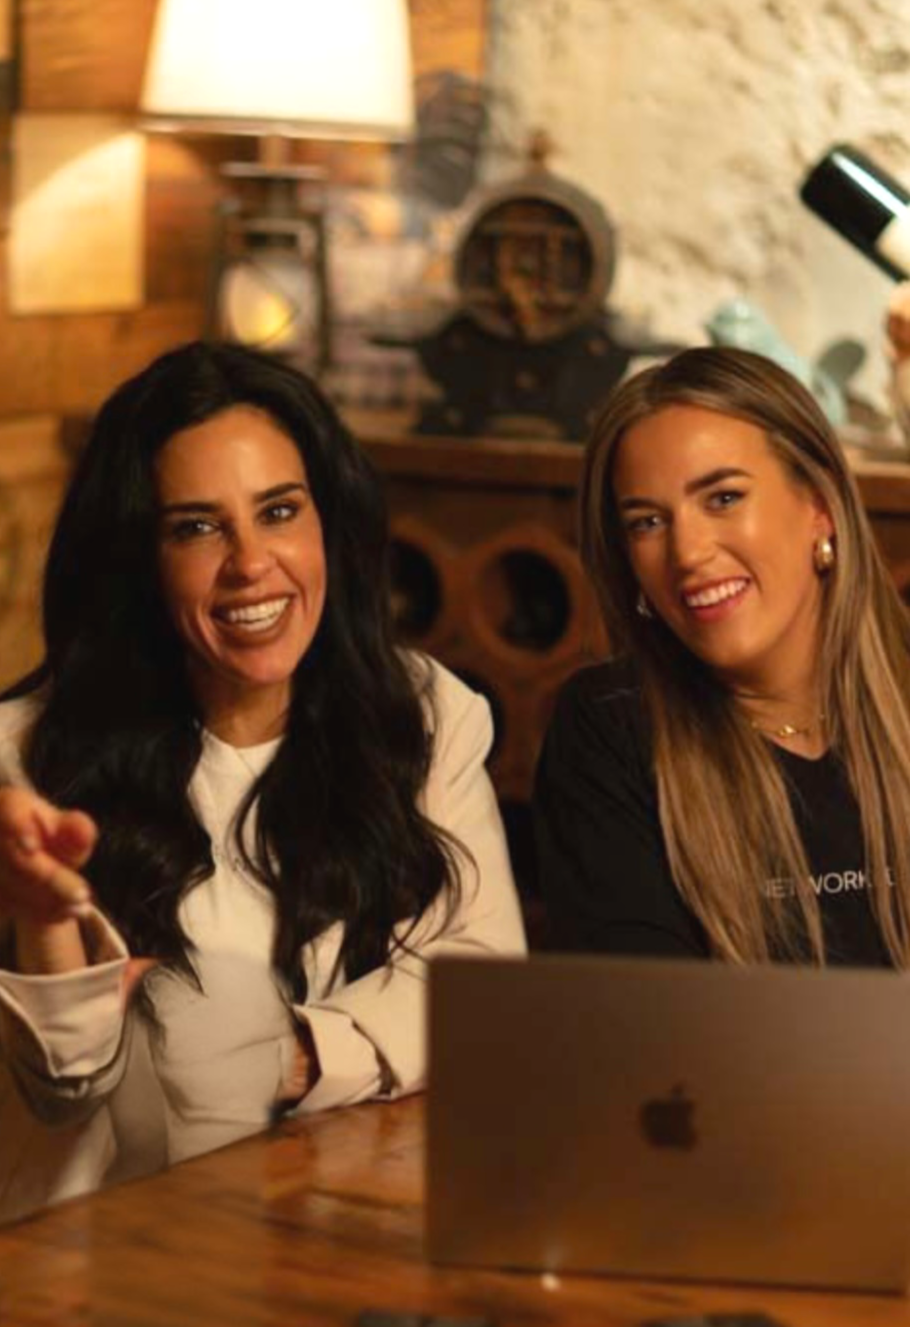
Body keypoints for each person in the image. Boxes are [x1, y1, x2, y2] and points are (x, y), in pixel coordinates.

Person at [0, 341, 525, 1223]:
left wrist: (299, 1053)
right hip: (97, 1261)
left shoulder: (426, 710)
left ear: (329, 524)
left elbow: (485, 990)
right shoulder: (22, 757)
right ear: (139, 557)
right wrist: (45, 925)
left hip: (341, 1223)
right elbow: (65, 1092)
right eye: (197, 526)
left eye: (278, 511)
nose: (251, 563)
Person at [535, 345, 910, 967]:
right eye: (648, 522)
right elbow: (646, 1036)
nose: (687, 552)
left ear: (820, 506)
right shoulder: (610, 729)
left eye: (724, 498)